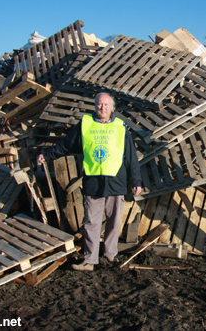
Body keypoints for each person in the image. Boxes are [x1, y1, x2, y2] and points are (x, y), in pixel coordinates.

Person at [38, 92, 142, 271]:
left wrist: (136, 180)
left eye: (106, 105)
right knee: (91, 222)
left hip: (116, 182)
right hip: (93, 182)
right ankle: (90, 260)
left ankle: (110, 254)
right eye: (99, 104)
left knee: (114, 221)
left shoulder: (120, 127)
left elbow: (131, 156)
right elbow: (66, 144)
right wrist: (47, 156)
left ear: (112, 107)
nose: (102, 107)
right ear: (95, 106)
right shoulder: (85, 124)